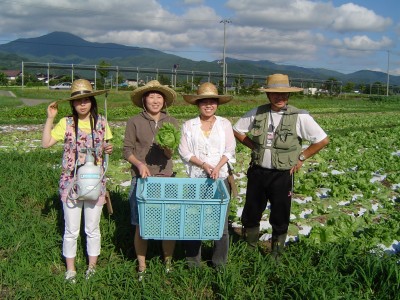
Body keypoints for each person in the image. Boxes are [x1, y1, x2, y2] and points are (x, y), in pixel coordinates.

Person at [233, 73, 329, 259]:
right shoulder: (258, 112)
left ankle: (276, 253)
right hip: (258, 171)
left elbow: (322, 140)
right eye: (275, 93)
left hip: (282, 174)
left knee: (280, 213)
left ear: (289, 95)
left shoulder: (299, 115)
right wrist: (253, 146)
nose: (280, 97)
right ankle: (250, 249)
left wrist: (301, 157)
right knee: (251, 210)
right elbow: (237, 130)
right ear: (268, 95)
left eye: (284, 94)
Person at [42, 79, 113, 282]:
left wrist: (109, 149)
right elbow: (46, 144)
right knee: (71, 230)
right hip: (70, 183)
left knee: (92, 228)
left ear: (92, 101)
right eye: (77, 101)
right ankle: (71, 269)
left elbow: (108, 148)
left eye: (86, 100)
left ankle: (92, 267)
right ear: (72, 103)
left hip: (94, 182)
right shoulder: (66, 122)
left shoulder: (101, 122)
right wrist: (50, 118)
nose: (82, 104)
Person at [123, 80, 178, 280]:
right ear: (144, 100)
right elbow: (127, 150)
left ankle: (168, 262)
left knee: (168, 222)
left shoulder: (171, 122)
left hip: (166, 178)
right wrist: (139, 164)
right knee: (141, 223)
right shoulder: (134, 121)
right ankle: (142, 265)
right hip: (142, 179)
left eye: (159, 97)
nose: (155, 100)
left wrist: (167, 149)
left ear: (164, 101)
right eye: (151, 96)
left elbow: (171, 155)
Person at [178, 82, 236, 269]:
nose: (208, 105)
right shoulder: (189, 125)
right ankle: (193, 262)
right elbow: (184, 152)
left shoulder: (224, 124)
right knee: (193, 221)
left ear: (217, 104)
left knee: (221, 224)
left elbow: (229, 149)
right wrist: (204, 165)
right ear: (198, 104)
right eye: (204, 102)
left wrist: (218, 167)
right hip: (196, 180)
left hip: (220, 180)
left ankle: (219, 262)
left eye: (212, 101)